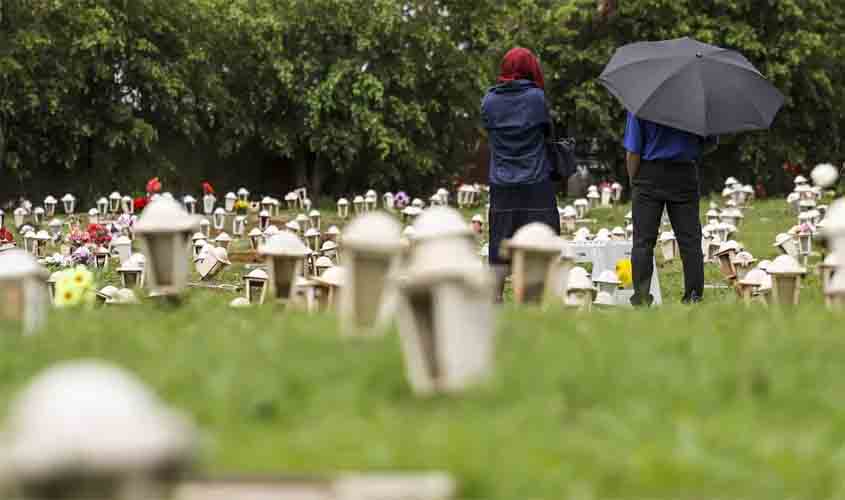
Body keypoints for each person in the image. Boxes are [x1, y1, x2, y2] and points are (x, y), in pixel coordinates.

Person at [481, 47, 561, 302]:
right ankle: (543, 298)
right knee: (544, 243)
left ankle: (494, 299)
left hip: (502, 183)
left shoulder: (489, 101)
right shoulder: (536, 98)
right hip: (536, 182)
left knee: (498, 246)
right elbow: (548, 133)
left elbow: (490, 132)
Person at [624, 112, 716, 305]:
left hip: (649, 172)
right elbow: (710, 142)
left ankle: (641, 299)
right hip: (684, 172)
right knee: (690, 240)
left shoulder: (641, 103)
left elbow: (633, 150)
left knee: (643, 242)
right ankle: (693, 297)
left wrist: (635, 180)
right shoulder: (696, 102)